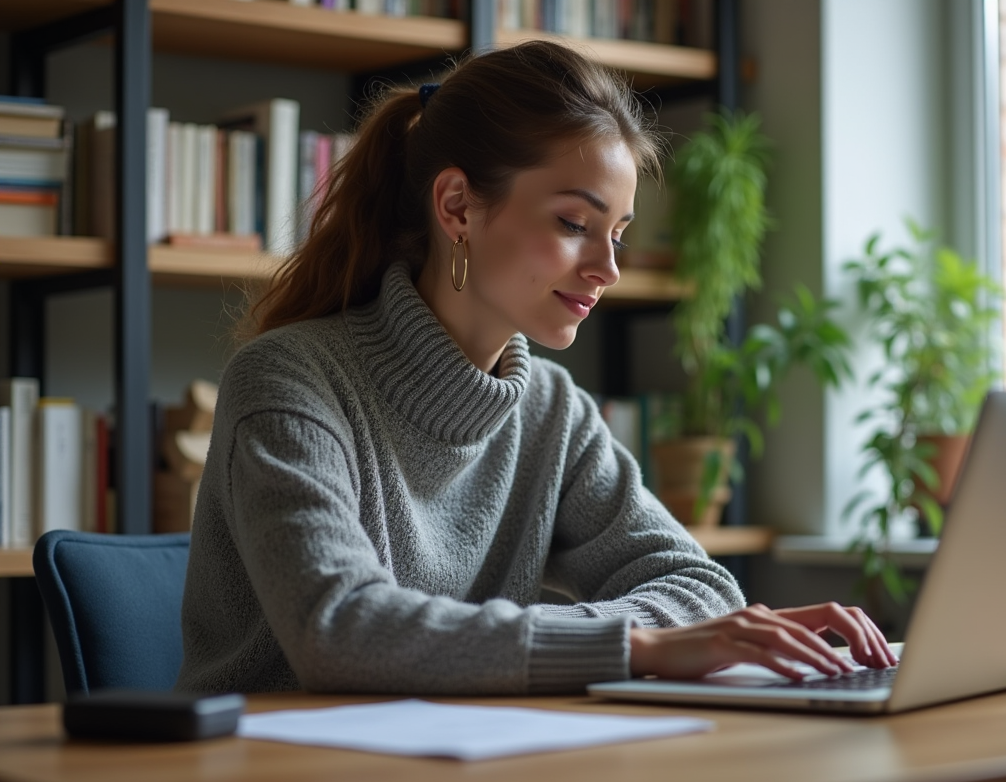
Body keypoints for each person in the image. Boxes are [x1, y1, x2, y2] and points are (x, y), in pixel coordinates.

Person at [176, 40, 896, 696]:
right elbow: (340, 632)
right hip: (278, 769)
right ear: (457, 205)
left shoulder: (554, 409)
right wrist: (634, 643)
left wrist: (604, 638)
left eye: (617, 233)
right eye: (574, 225)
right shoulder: (287, 381)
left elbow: (699, 586)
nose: (607, 268)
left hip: (469, 760)